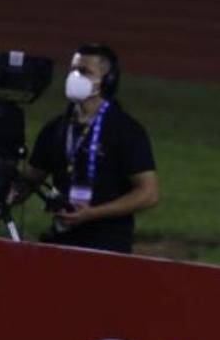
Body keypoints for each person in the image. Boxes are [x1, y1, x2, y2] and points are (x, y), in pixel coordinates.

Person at [13, 44, 158, 253]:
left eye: (84, 72)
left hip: (108, 245)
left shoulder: (126, 130)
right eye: (73, 70)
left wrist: (93, 213)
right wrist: (9, 187)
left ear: (107, 80)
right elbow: (29, 181)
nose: (74, 77)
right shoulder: (56, 128)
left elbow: (148, 193)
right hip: (61, 239)